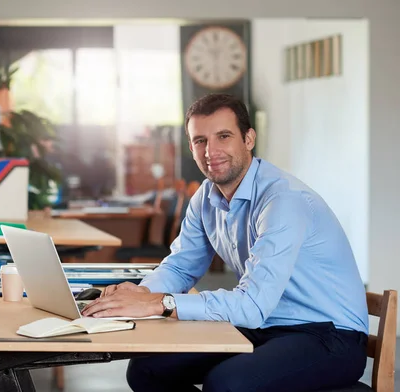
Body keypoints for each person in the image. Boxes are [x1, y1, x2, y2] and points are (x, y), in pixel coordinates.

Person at [81, 93, 369, 392]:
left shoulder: (283, 201)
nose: (210, 151)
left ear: (248, 139)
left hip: (330, 336)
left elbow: (252, 305)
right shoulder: (205, 198)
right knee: (147, 370)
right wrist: (138, 293)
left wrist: (159, 304)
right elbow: (180, 268)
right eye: (200, 140)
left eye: (223, 136)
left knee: (227, 384)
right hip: (266, 327)